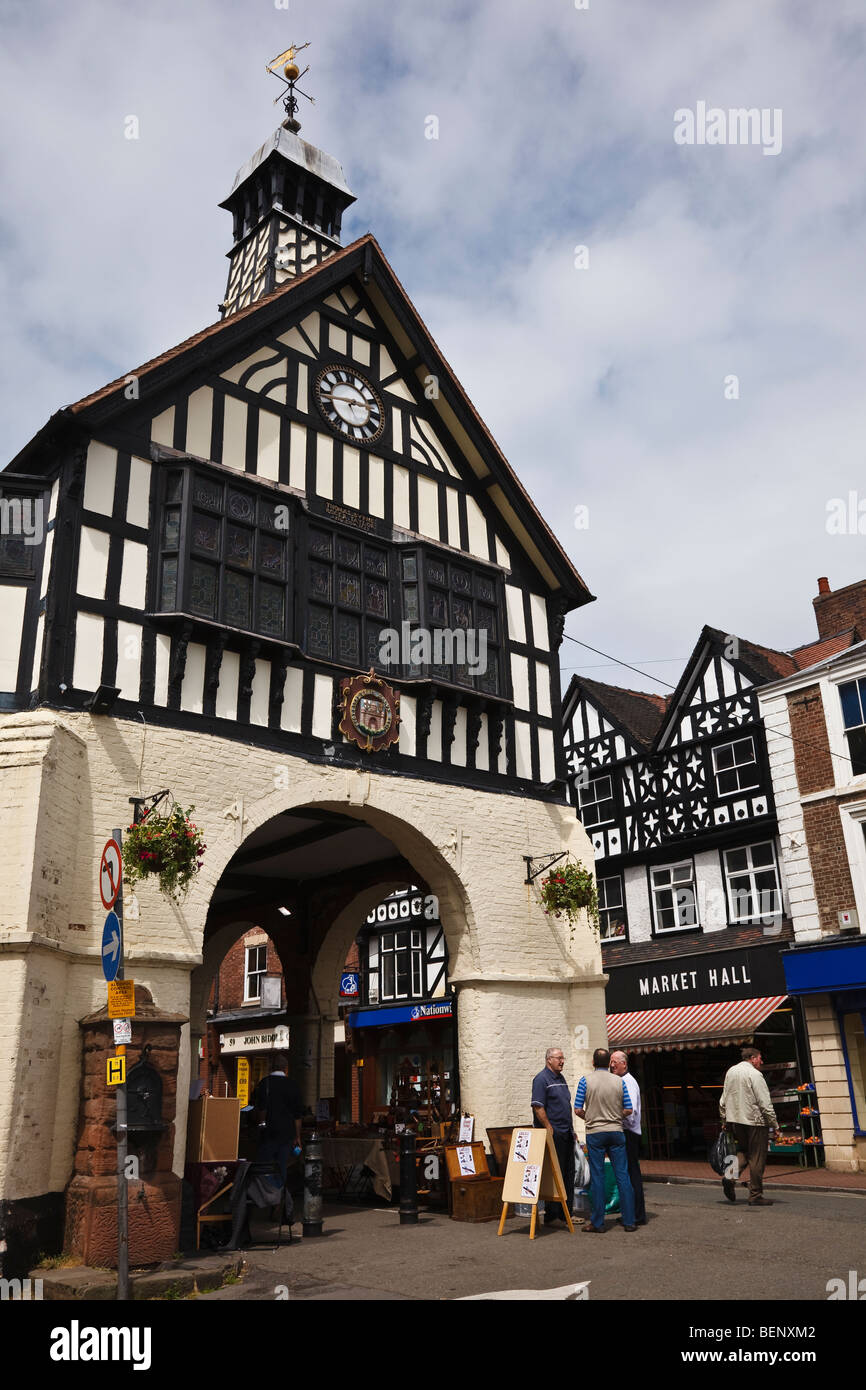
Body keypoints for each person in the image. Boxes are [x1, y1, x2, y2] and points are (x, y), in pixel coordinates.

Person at [574, 1047, 636, 1233]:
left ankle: (598, 1222)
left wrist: (591, 1117)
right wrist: (614, 1116)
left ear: (593, 1063)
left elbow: (577, 1109)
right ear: (609, 1063)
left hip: (595, 1132)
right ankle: (629, 1221)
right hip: (616, 1131)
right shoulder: (619, 1081)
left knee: (598, 1176)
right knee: (623, 1176)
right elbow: (629, 1109)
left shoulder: (585, 1081)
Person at [719, 1045, 779, 1206]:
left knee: (743, 1152)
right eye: (760, 1058)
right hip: (755, 1121)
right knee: (757, 1157)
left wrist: (724, 1120)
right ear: (752, 1058)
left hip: (735, 1120)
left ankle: (729, 1177)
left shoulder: (731, 1072)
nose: (761, 1061)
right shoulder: (755, 1074)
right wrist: (774, 1123)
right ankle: (755, 1194)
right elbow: (764, 1102)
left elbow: (723, 1099)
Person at [530, 1046, 575, 1225]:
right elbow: (537, 1106)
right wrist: (549, 1127)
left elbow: (565, 1105)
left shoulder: (561, 1078)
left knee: (568, 1173)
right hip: (553, 1134)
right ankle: (552, 1213)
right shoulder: (541, 1079)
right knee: (554, 1173)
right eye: (559, 1058)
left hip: (566, 1133)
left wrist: (572, 1131)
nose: (562, 1061)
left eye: (562, 1058)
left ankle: (566, 1213)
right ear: (549, 1059)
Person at [253, 1053, 303, 1183]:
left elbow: (261, 1108)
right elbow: (297, 1115)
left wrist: (261, 1124)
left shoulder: (264, 1083)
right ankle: (278, 1198)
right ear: (286, 1068)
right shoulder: (293, 1085)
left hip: (268, 1132)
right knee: (282, 1166)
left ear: (271, 1067)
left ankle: (265, 1195)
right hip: (287, 1133)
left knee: (265, 1165)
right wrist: (297, 1136)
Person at [610, 1049, 647, 1225]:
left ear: (624, 1064)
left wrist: (613, 1118)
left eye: (614, 1062)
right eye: (610, 1062)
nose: (611, 1066)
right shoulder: (622, 1081)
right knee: (629, 1174)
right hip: (627, 1131)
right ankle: (632, 1213)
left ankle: (637, 1215)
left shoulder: (628, 1082)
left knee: (631, 1174)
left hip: (629, 1133)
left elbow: (630, 1111)